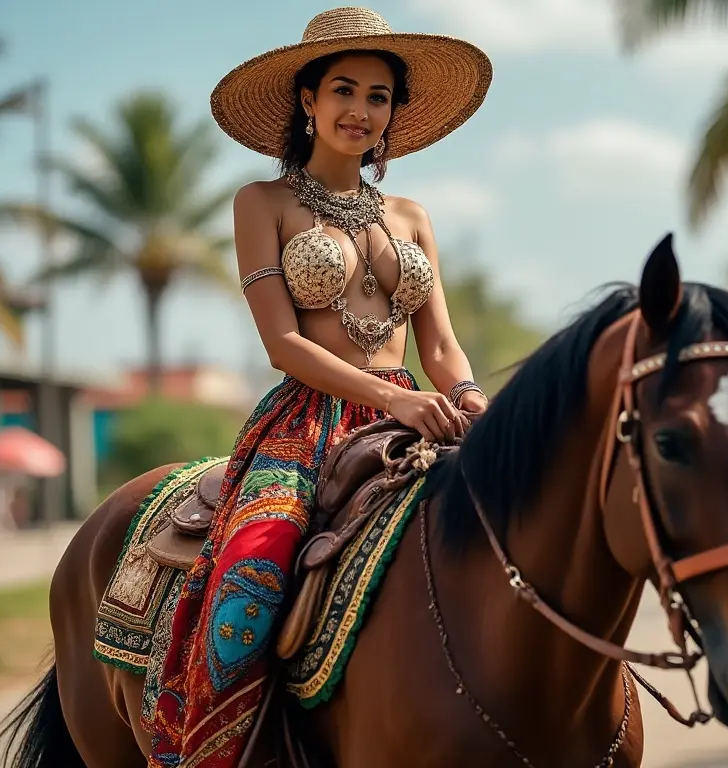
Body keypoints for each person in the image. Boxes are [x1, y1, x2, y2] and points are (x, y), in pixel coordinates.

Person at [149, 8, 493, 766]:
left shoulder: (411, 215)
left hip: (420, 414)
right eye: (344, 89)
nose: (361, 110)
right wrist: (394, 399)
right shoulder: (260, 203)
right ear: (307, 100)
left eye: (378, 96)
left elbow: (438, 341)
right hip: (309, 425)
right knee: (250, 577)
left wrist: (467, 394)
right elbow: (283, 345)